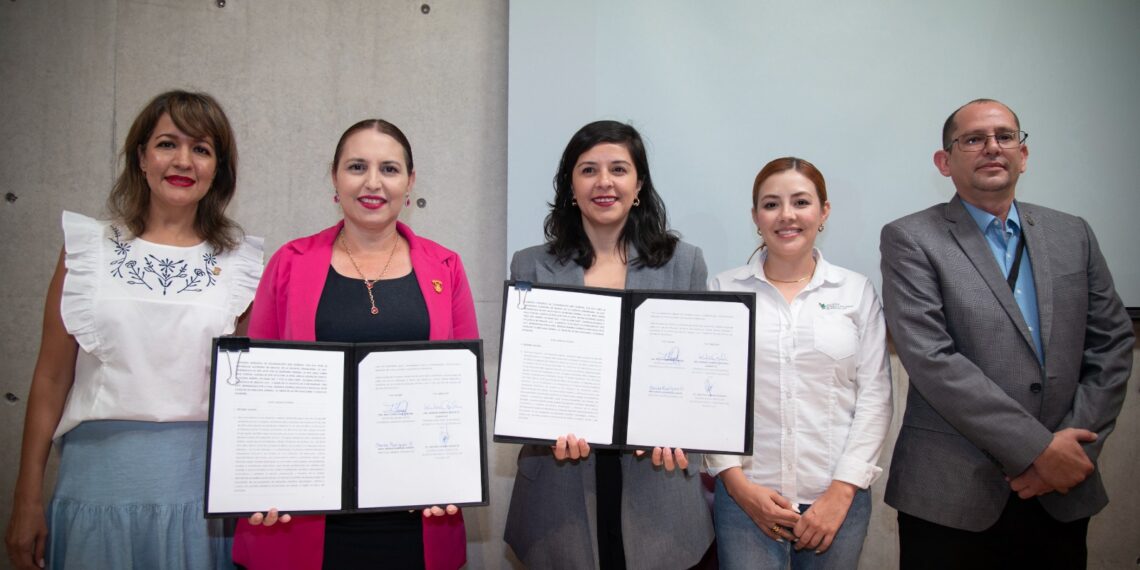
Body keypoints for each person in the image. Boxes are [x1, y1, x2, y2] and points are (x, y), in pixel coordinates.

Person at [4, 91, 261, 570]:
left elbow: (247, 396)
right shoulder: (85, 251)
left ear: (217, 170)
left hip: (201, 493)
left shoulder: (243, 266)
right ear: (141, 157)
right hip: (95, 485)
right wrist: (27, 497)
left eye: (202, 149)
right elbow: (50, 379)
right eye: (168, 143)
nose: (183, 160)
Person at [880, 98, 1134, 569]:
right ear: (945, 161)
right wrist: (1039, 450)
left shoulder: (1072, 233)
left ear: (1023, 153)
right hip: (952, 496)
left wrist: (1072, 453)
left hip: (1060, 493)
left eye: (1005, 136)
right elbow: (932, 358)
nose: (992, 148)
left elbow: (1113, 344)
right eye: (973, 139)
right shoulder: (911, 238)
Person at [230, 119, 477, 570]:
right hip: (302, 510)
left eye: (389, 169)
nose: (372, 182)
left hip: (415, 513)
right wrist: (258, 477)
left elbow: (465, 391)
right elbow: (255, 387)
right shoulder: (289, 263)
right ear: (335, 178)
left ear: (410, 182)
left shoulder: (447, 267)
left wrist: (454, 471)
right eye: (357, 166)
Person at [503, 120, 714, 569]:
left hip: (659, 490)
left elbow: (697, 375)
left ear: (638, 184)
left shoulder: (684, 263)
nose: (604, 182)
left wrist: (683, 425)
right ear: (570, 186)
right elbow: (527, 379)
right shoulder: (530, 264)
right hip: (560, 488)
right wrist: (542, 426)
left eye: (618, 169)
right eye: (588, 170)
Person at [705, 157, 892, 569]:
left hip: (837, 502)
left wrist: (841, 493)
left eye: (801, 202)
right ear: (755, 217)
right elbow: (711, 398)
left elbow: (876, 398)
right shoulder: (722, 289)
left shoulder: (856, 292)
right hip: (746, 499)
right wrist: (737, 486)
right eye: (771, 204)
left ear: (823, 212)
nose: (786, 215)